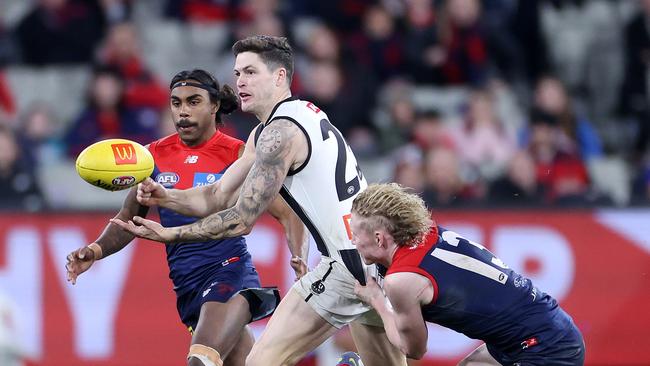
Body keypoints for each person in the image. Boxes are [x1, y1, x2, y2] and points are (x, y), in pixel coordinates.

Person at [111, 35, 406, 366]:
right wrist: (167, 196)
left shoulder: (279, 134)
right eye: (237, 74)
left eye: (250, 72)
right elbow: (216, 194)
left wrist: (171, 234)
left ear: (280, 77)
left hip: (346, 267)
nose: (240, 82)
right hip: (376, 262)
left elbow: (240, 219)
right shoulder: (291, 119)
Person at [65, 68, 309, 366]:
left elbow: (288, 212)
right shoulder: (151, 156)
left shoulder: (238, 155)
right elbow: (129, 218)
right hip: (187, 285)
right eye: (176, 103)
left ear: (214, 106)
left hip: (228, 273)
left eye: (193, 102)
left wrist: (300, 258)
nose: (182, 112)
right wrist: (95, 250)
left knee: (201, 360)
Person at [351, 183, 586, 365]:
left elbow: (414, 349)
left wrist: (377, 301)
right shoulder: (427, 231)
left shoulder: (401, 281)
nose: (353, 241)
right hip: (547, 330)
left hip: (544, 348)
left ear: (379, 238)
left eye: (356, 234)